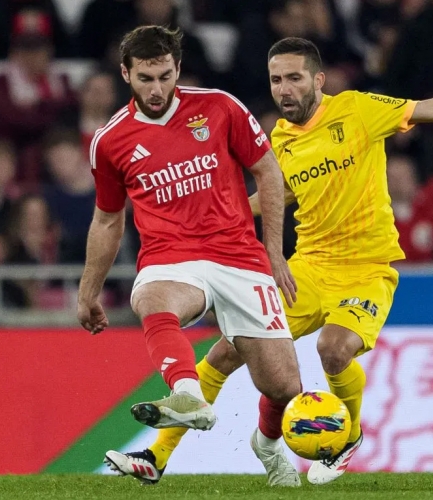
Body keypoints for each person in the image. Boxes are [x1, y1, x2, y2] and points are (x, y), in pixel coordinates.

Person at [120, 36, 433, 486]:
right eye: (276, 80)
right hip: (308, 268)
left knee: (333, 349)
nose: (284, 90)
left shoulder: (357, 110)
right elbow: (275, 196)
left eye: (294, 78)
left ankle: (349, 435)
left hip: (368, 268)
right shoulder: (279, 140)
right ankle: (156, 456)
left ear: (317, 79)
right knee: (226, 351)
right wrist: (201, 212)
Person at [77, 27, 303, 486]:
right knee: (153, 299)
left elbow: (268, 171)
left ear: (178, 69)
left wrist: (274, 253)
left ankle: (268, 442)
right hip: (171, 256)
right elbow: (106, 220)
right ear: (126, 74)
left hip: (238, 253)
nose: (155, 89)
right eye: (144, 78)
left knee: (283, 386)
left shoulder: (220, 107)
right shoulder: (111, 141)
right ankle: (186, 393)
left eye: (164, 76)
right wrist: (88, 291)